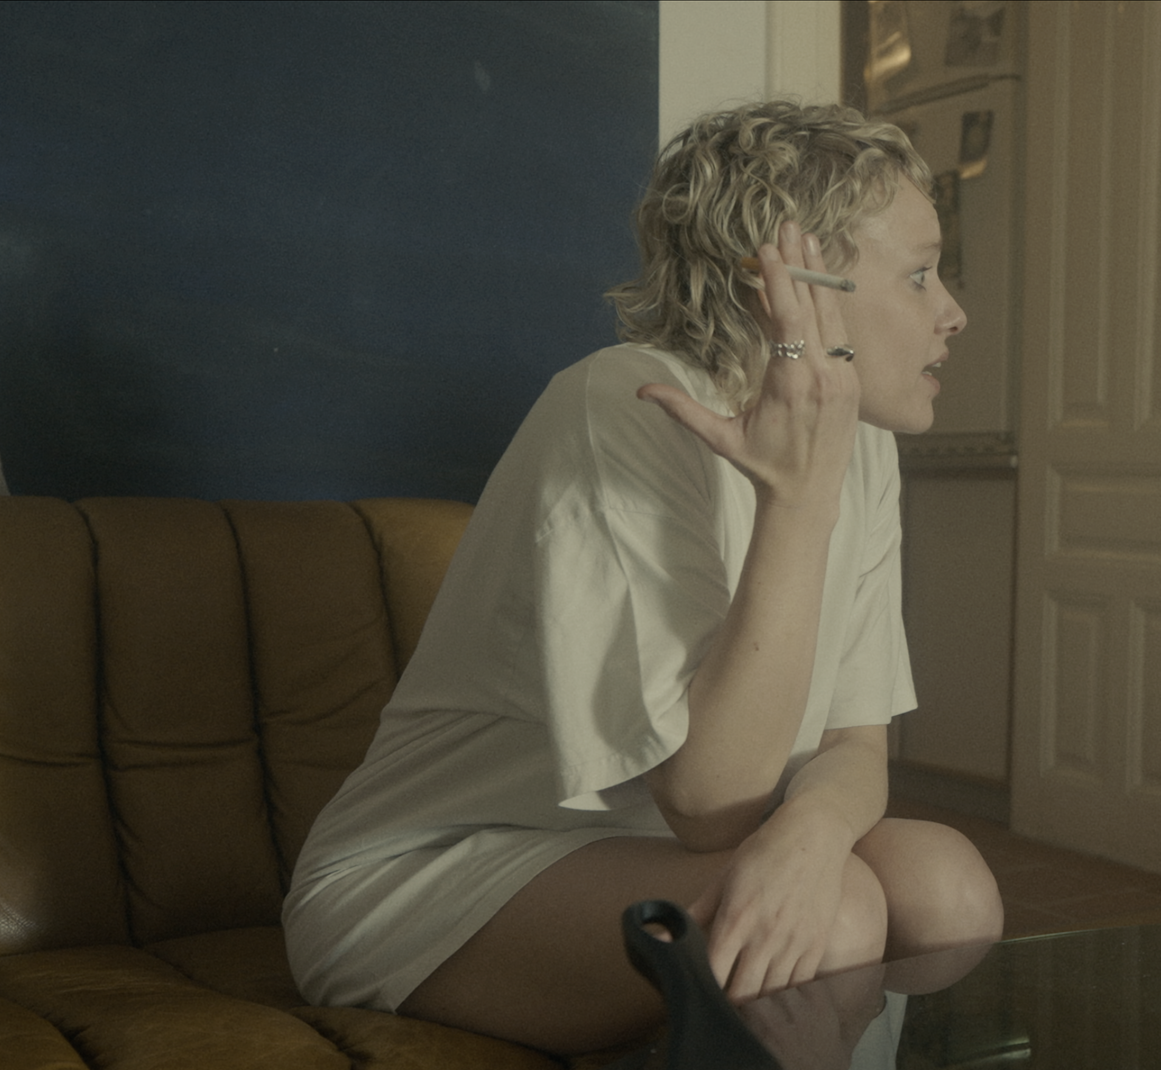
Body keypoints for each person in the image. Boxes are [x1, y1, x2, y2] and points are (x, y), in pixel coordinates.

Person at [284, 101, 1004, 1056]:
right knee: (835, 916)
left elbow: (855, 742)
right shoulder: (619, 408)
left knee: (949, 892)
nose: (953, 311)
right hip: (441, 867)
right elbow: (710, 803)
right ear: (791, 287)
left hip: (659, 851)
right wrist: (797, 505)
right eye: (919, 274)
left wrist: (807, 836)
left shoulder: (858, 439)